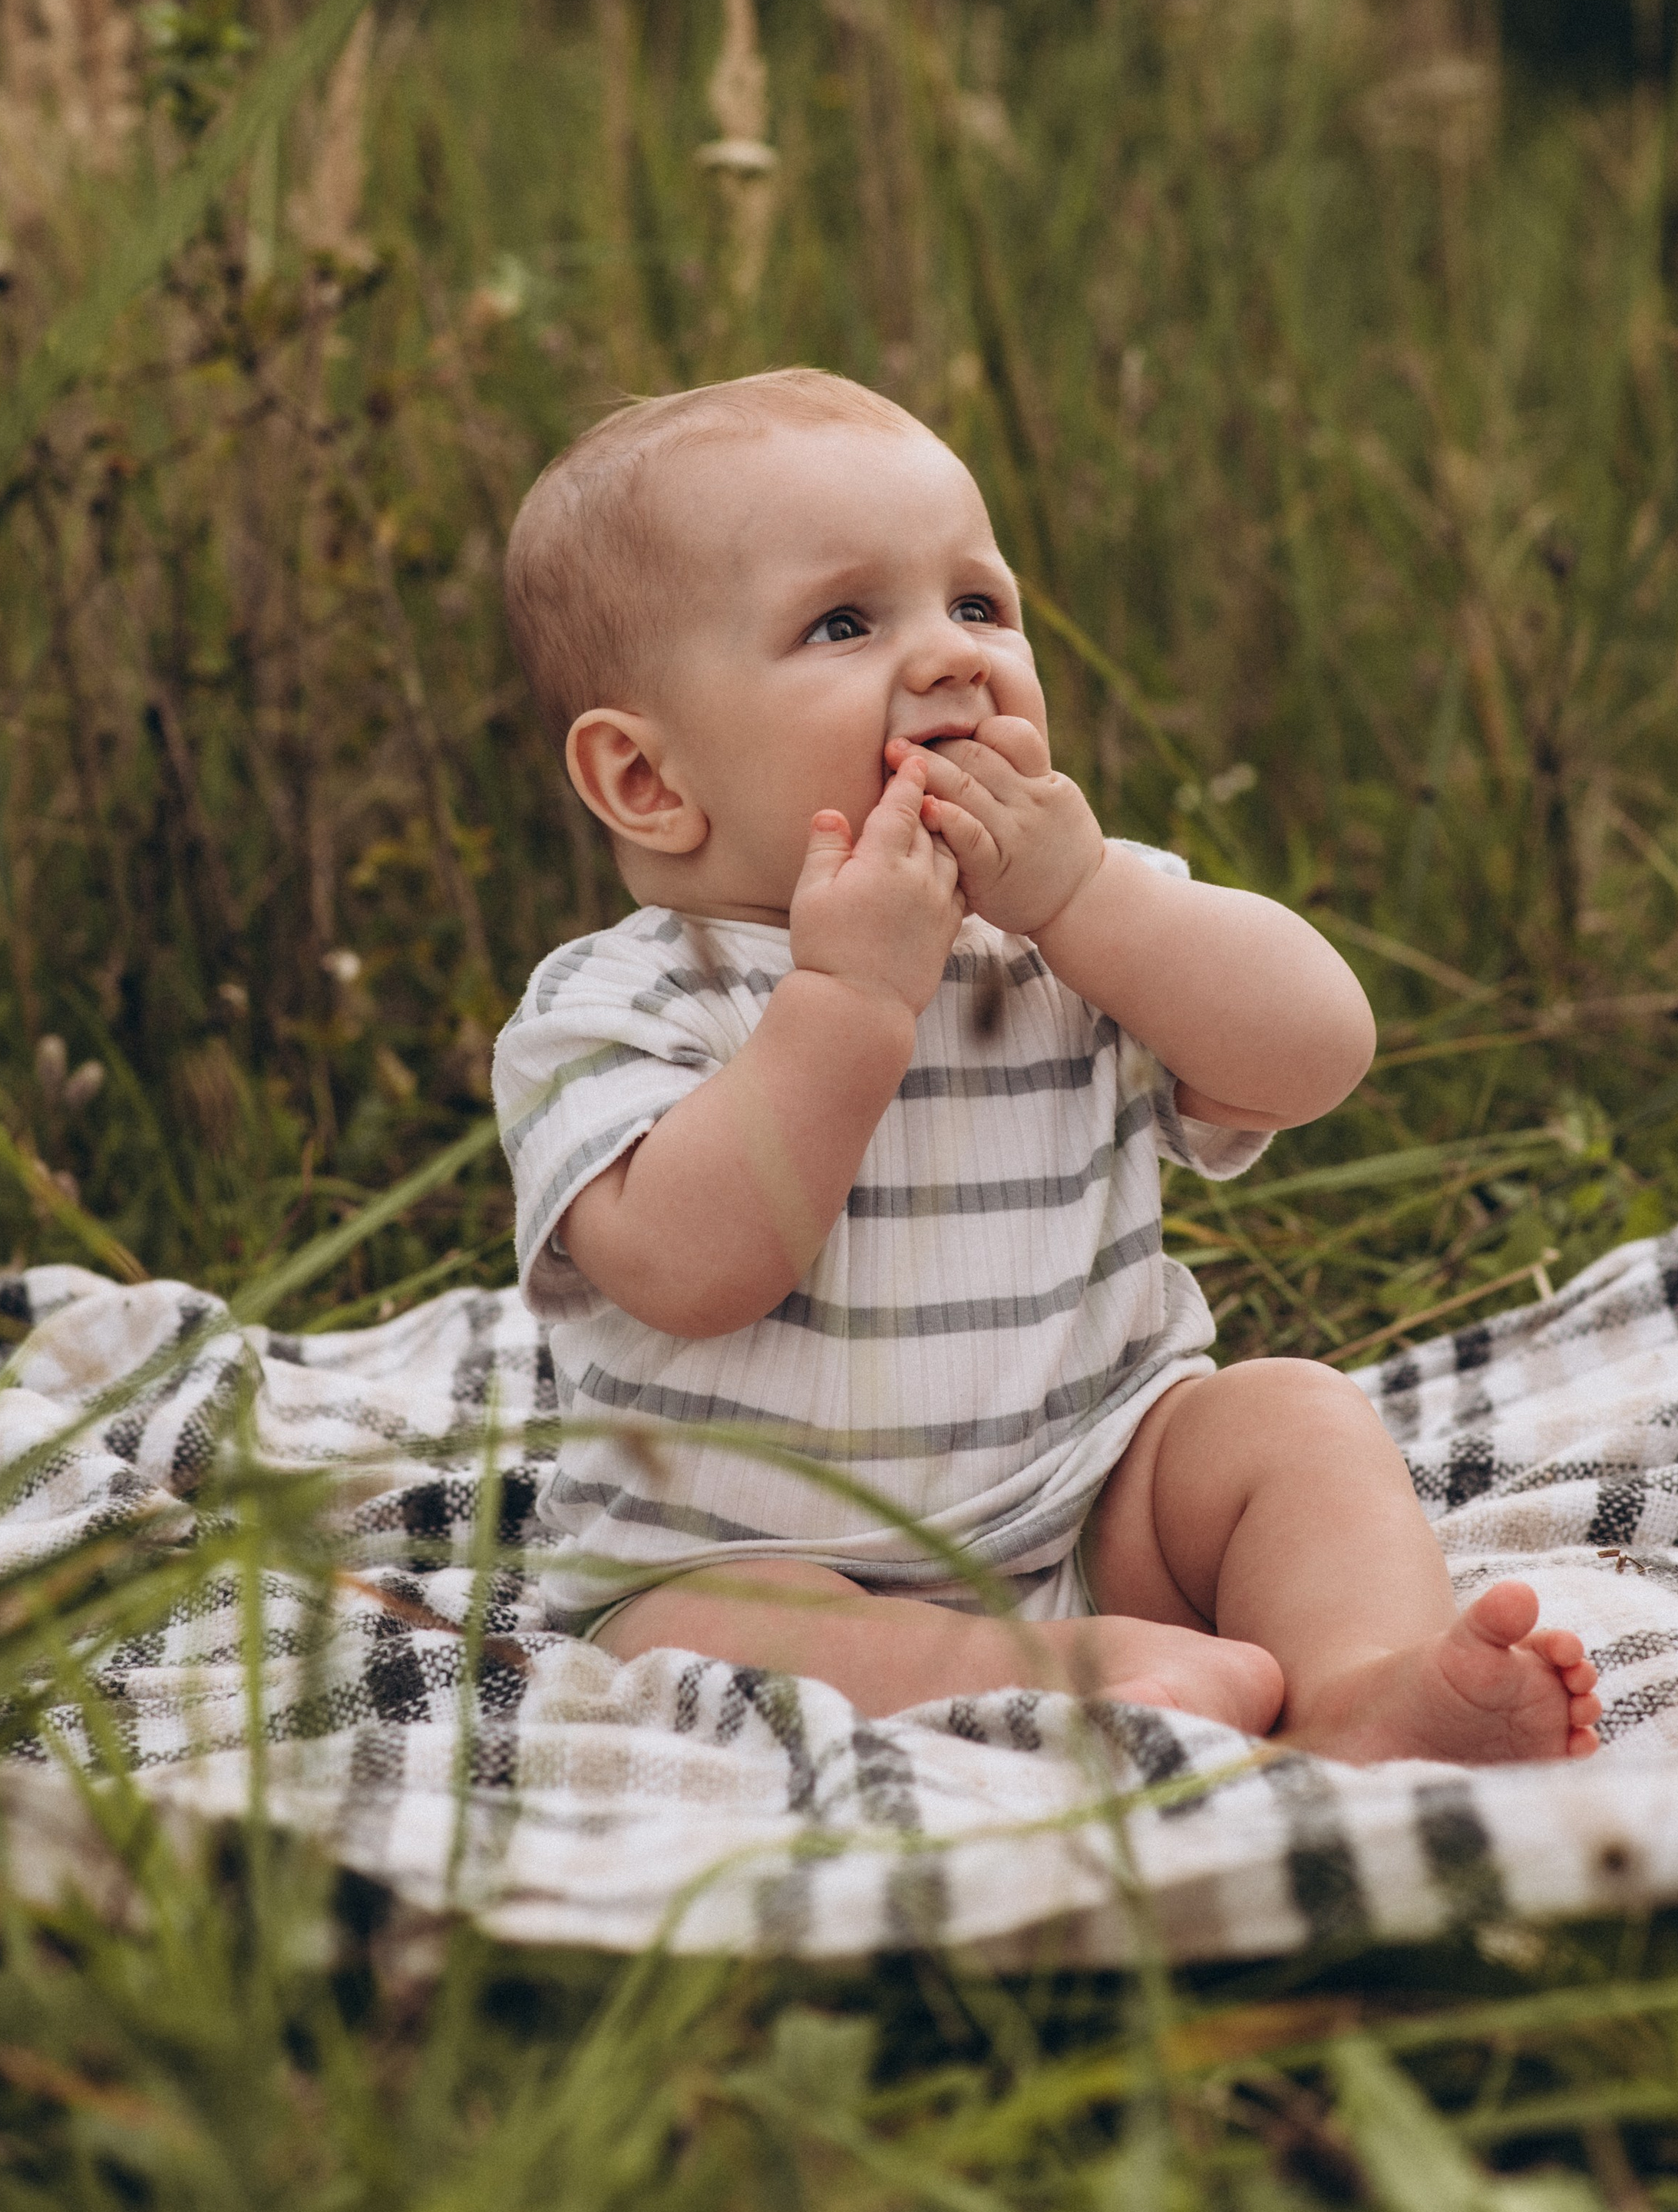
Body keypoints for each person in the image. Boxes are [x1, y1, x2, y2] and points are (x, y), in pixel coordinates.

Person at [493, 368, 1601, 1762]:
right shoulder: (613, 1007)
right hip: (754, 1557)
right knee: (709, 1630)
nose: (953, 657)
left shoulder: (1066, 930)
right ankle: (1051, 1675)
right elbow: (696, 1268)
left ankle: (1367, 1686)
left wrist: (1088, 904)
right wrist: (847, 999)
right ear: (648, 780)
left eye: (978, 604)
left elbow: (1319, 1055)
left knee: (1287, 1421)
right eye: (843, 622)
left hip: (1089, 1506)